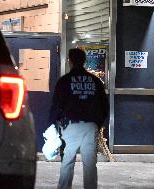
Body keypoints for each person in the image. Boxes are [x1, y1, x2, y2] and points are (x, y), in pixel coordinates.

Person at [49, 48, 109, 189]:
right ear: (84, 61)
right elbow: (104, 105)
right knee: (89, 164)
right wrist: (97, 123)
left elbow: (56, 104)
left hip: (70, 126)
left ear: (70, 61)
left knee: (68, 162)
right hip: (90, 126)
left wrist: (54, 123)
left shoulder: (64, 81)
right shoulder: (95, 81)